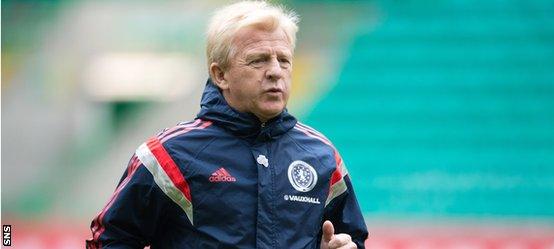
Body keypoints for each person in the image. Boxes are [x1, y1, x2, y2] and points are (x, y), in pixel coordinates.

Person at [86, 1, 368, 248]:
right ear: (220, 74)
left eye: (284, 60)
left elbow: (351, 236)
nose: (275, 72)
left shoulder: (322, 156)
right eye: (258, 60)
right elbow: (110, 237)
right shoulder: (167, 155)